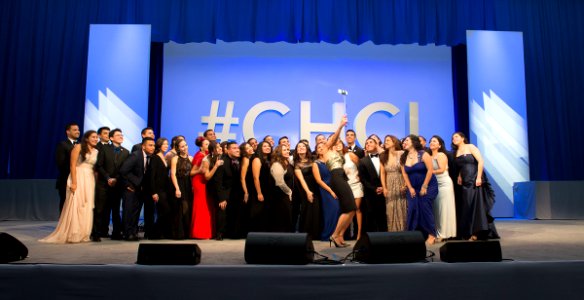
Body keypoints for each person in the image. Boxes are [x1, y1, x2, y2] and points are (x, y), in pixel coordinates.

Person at [40, 130, 99, 243]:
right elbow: (72, 165)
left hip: (89, 179)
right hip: (78, 176)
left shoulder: (96, 151)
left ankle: (83, 233)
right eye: (93, 137)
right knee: (75, 204)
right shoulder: (78, 147)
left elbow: (94, 168)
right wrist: (74, 182)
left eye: (96, 137)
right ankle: (73, 233)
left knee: (86, 205)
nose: (95, 139)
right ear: (86, 138)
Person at [452, 132, 499, 241]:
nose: (454, 139)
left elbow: (480, 161)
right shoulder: (457, 152)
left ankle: (476, 233)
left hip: (474, 178)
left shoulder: (471, 147)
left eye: (456, 137)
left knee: (475, 205)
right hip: (465, 180)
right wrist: (459, 175)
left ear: (463, 138)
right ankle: (468, 231)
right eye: (453, 138)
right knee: (467, 205)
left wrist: (479, 177)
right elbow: (461, 165)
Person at [323, 115, 356, 247]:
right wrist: (341, 126)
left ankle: (340, 235)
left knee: (351, 209)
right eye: (332, 139)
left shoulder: (338, 152)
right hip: (336, 177)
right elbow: (333, 139)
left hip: (341, 177)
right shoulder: (326, 149)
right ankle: (335, 235)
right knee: (350, 207)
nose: (335, 141)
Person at [401, 135, 438, 245]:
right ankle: (413, 235)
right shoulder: (403, 157)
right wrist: (410, 188)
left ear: (413, 142)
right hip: (413, 187)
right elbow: (404, 174)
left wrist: (424, 186)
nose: (404, 143)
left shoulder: (423, 154)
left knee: (425, 207)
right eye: (403, 142)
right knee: (413, 208)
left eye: (407, 140)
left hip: (428, 185)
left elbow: (430, 170)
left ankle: (432, 235)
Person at [93, 128, 129, 241]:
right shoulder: (103, 148)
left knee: (116, 210)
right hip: (103, 184)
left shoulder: (126, 152)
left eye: (122, 135)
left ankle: (116, 233)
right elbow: (99, 165)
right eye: (118, 135)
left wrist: (116, 179)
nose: (121, 136)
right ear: (111, 138)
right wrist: (108, 178)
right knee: (100, 209)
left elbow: (124, 169)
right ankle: (96, 233)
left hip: (117, 185)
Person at [120, 137, 155, 241]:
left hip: (139, 189)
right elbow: (123, 171)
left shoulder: (149, 157)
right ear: (143, 146)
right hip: (130, 188)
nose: (153, 147)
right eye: (150, 145)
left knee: (136, 212)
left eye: (153, 145)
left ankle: (133, 232)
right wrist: (133, 183)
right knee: (128, 211)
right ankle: (127, 233)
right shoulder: (135, 155)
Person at [214, 141, 244, 239]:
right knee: (223, 213)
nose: (237, 150)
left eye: (238, 148)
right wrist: (221, 198)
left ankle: (234, 234)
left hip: (237, 193)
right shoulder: (222, 162)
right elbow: (218, 182)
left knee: (236, 213)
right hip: (225, 192)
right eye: (234, 148)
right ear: (228, 150)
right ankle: (220, 233)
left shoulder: (241, 160)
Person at [429, 135, 457, 241]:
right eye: (431, 141)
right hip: (434, 184)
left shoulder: (441, 155)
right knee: (436, 209)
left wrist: (428, 172)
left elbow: (441, 170)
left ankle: (443, 234)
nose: (432, 142)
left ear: (439, 145)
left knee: (444, 208)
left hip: (444, 184)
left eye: (434, 141)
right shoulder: (429, 156)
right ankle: (437, 231)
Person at [358, 137, 388, 233]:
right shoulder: (362, 161)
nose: (368, 144)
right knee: (371, 216)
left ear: (376, 144)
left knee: (384, 216)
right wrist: (374, 189)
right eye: (366, 143)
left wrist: (384, 187)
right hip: (370, 193)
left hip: (386, 191)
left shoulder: (385, 157)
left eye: (371, 142)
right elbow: (363, 179)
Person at [293, 141, 320, 240]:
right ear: (296, 150)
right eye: (299, 146)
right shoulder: (296, 163)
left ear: (307, 148)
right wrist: (308, 192)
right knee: (307, 210)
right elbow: (301, 179)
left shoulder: (313, 159)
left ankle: (316, 234)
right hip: (306, 189)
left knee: (317, 210)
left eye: (303, 146)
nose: (301, 148)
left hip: (317, 187)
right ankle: (307, 234)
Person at [380, 135, 407, 232]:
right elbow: (382, 173)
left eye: (388, 140)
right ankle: (393, 232)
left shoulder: (401, 153)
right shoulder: (383, 156)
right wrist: (384, 188)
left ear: (394, 142)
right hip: (389, 183)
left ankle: (403, 231)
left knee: (402, 206)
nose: (386, 142)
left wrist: (405, 184)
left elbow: (405, 171)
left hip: (400, 181)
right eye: (385, 140)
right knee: (390, 208)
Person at [313, 142, 339, 241]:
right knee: (331, 211)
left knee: (337, 210)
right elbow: (318, 180)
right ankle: (328, 235)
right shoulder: (316, 163)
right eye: (318, 147)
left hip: (336, 187)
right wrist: (331, 191)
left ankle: (337, 235)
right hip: (326, 190)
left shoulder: (331, 160)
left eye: (322, 147)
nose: (321, 148)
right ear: (316, 151)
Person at [190, 137, 214, 239]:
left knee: (207, 207)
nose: (208, 146)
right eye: (206, 144)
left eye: (209, 144)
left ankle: (206, 232)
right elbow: (191, 172)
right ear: (201, 147)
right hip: (199, 183)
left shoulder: (208, 155)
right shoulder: (199, 156)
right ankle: (199, 233)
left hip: (206, 182)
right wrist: (200, 170)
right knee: (201, 207)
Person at [340, 140, 364, 240]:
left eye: (339, 144)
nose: (337, 146)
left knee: (356, 209)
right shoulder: (335, 159)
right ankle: (342, 234)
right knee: (348, 210)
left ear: (342, 145)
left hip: (356, 184)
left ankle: (358, 234)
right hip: (345, 187)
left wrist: (360, 176)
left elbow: (361, 166)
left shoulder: (350, 155)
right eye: (335, 144)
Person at [55, 122, 80, 214]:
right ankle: (63, 226)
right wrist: (72, 176)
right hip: (66, 179)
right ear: (68, 132)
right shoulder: (62, 145)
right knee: (65, 203)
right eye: (75, 130)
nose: (77, 132)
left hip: (79, 180)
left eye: (78, 130)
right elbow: (60, 163)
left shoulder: (81, 145)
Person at [169, 139, 192, 239]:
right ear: (178, 148)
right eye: (182, 146)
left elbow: (192, 174)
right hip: (179, 184)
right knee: (180, 209)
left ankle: (187, 233)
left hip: (188, 185)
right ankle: (178, 234)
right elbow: (173, 175)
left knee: (188, 208)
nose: (185, 148)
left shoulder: (191, 158)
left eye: (185, 145)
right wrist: (177, 188)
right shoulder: (175, 159)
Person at [149, 137, 171, 239]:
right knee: (163, 211)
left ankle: (161, 233)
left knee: (164, 212)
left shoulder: (164, 156)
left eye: (167, 144)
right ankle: (154, 234)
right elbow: (152, 176)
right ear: (159, 145)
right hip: (158, 189)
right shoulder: (155, 158)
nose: (166, 146)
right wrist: (153, 192)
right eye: (164, 144)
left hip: (165, 189)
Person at [269, 144, 294, 232]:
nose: (287, 151)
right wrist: (289, 191)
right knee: (282, 217)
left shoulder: (287, 163)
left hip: (285, 195)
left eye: (288, 149)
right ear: (279, 152)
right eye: (284, 150)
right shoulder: (277, 164)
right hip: (280, 195)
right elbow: (279, 182)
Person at [250, 141, 273, 232]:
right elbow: (256, 178)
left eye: (269, 146)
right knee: (258, 212)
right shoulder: (257, 159)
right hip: (259, 189)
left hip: (268, 189)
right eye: (265, 146)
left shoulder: (269, 159)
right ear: (260, 148)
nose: (267, 147)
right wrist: (259, 193)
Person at [203, 141, 223, 239]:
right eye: (217, 147)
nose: (220, 149)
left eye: (220, 147)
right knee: (216, 210)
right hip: (213, 188)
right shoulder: (207, 160)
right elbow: (207, 177)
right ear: (212, 150)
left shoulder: (223, 157)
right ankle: (217, 233)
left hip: (222, 187)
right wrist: (216, 166)